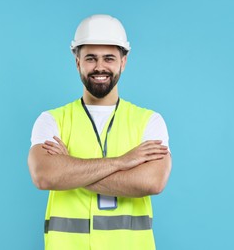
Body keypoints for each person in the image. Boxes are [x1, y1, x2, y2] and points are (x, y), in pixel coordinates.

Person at [28, 14, 172, 250]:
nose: (100, 67)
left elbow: (152, 182)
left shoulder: (149, 121)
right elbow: (45, 176)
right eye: (91, 58)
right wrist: (123, 162)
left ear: (123, 62)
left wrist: (68, 170)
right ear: (77, 62)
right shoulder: (51, 120)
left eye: (109, 58)